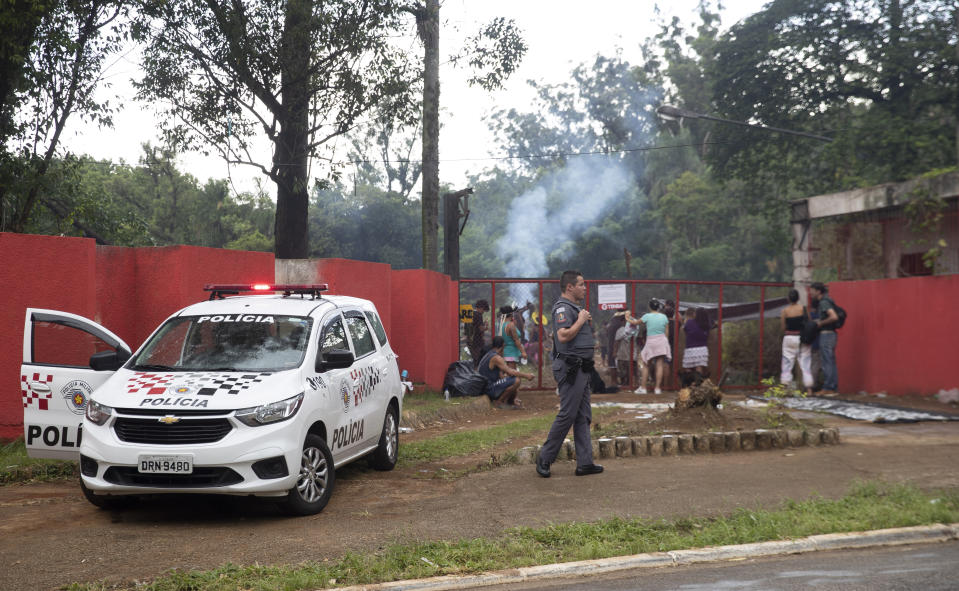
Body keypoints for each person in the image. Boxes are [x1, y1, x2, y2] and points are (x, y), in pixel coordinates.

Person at [536, 270, 603, 478]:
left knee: (583, 416)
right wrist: (581, 320)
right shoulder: (563, 308)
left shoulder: (575, 308)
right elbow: (563, 336)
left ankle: (585, 463)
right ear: (569, 287)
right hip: (570, 369)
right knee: (567, 414)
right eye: (581, 284)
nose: (585, 288)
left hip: (581, 368)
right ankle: (545, 458)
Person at [626, 299, 671, 395]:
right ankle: (658, 388)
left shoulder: (647, 316)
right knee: (659, 364)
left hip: (651, 341)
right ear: (658, 307)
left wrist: (627, 318)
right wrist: (665, 342)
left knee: (646, 364)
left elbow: (635, 323)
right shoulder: (664, 317)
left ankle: (643, 388)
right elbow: (667, 332)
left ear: (650, 307)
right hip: (662, 340)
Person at [477, 336, 534, 409]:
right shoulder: (496, 358)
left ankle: (511, 401)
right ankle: (499, 402)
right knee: (516, 380)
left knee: (512, 379)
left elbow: (502, 376)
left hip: (486, 387)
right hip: (488, 388)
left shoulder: (490, 354)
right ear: (503, 346)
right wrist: (526, 375)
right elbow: (510, 371)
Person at [780, 289, 814, 395]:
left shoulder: (785, 311)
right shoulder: (803, 309)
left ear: (788, 299)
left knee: (787, 362)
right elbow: (809, 323)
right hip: (802, 338)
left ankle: (784, 387)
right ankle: (809, 389)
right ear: (798, 298)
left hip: (789, 338)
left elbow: (783, 327)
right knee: (805, 363)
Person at [810, 282, 840, 395]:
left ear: (818, 291)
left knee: (827, 361)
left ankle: (828, 387)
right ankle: (832, 386)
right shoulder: (828, 300)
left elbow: (833, 317)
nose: (810, 292)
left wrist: (820, 323)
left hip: (826, 334)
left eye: (812, 290)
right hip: (831, 334)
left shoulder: (824, 302)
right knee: (830, 361)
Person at [682, 307, 711, 378]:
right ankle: (697, 386)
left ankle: (689, 385)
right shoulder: (707, 325)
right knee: (699, 367)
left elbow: (684, 329)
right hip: (702, 349)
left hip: (690, 348)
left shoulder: (690, 322)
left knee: (688, 367)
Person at [467, 299, 490, 367]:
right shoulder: (478, 314)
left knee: (475, 360)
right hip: (477, 342)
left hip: (470, 340)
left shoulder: (471, 313)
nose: (483, 312)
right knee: (479, 360)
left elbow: (475, 326)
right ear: (481, 308)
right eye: (484, 310)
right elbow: (481, 328)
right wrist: (486, 327)